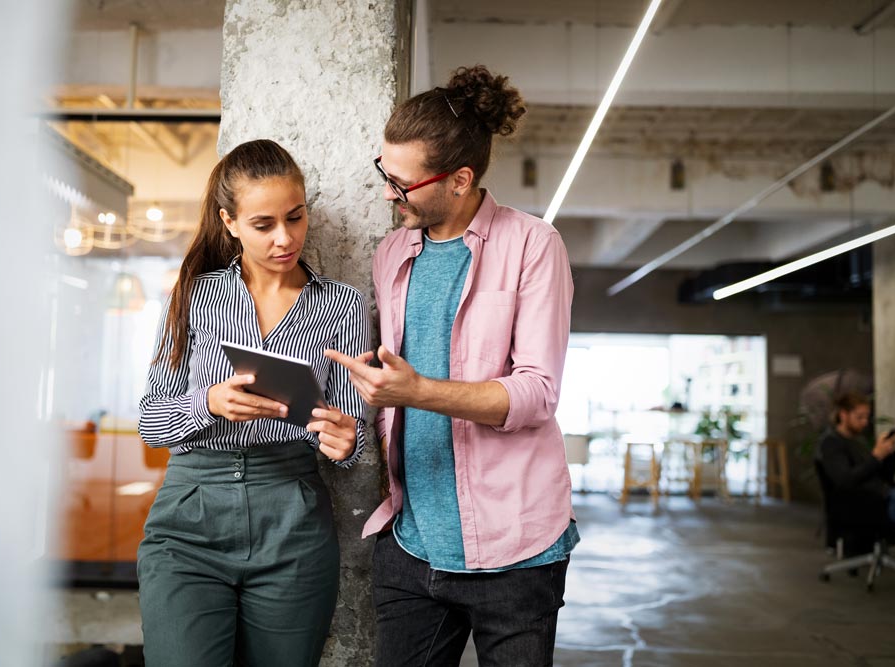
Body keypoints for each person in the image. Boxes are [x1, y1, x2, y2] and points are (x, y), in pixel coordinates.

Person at [326, 65, 578, 666]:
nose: (390, 193)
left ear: (460, 179)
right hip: (410, 546)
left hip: (517, 552)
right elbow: (392, 389)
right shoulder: (392, 253)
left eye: (405, 183)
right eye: (385, 173)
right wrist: (353, 426)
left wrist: (418, 390)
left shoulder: (534, 245)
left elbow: (537, 394)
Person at [136, 139, 369, 667]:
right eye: (264, 225)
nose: (286, 239)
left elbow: (352, 438)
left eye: (296, 217)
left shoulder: (341, 305)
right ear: (230, 223)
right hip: (190, 515)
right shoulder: (195, 295)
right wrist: (208, 404)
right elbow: (151, 422)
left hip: (292, 516)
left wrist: (347, 441)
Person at [817, 392, 895, 533]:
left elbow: (882, 476)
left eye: (866, 417)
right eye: (859, 417)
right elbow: (845, 480)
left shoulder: (858, 440)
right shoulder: (831, 443)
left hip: (885, 496)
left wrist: (888, 454)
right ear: (843, 415)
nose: (865, 422)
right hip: (865, 505)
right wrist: (876, 456)